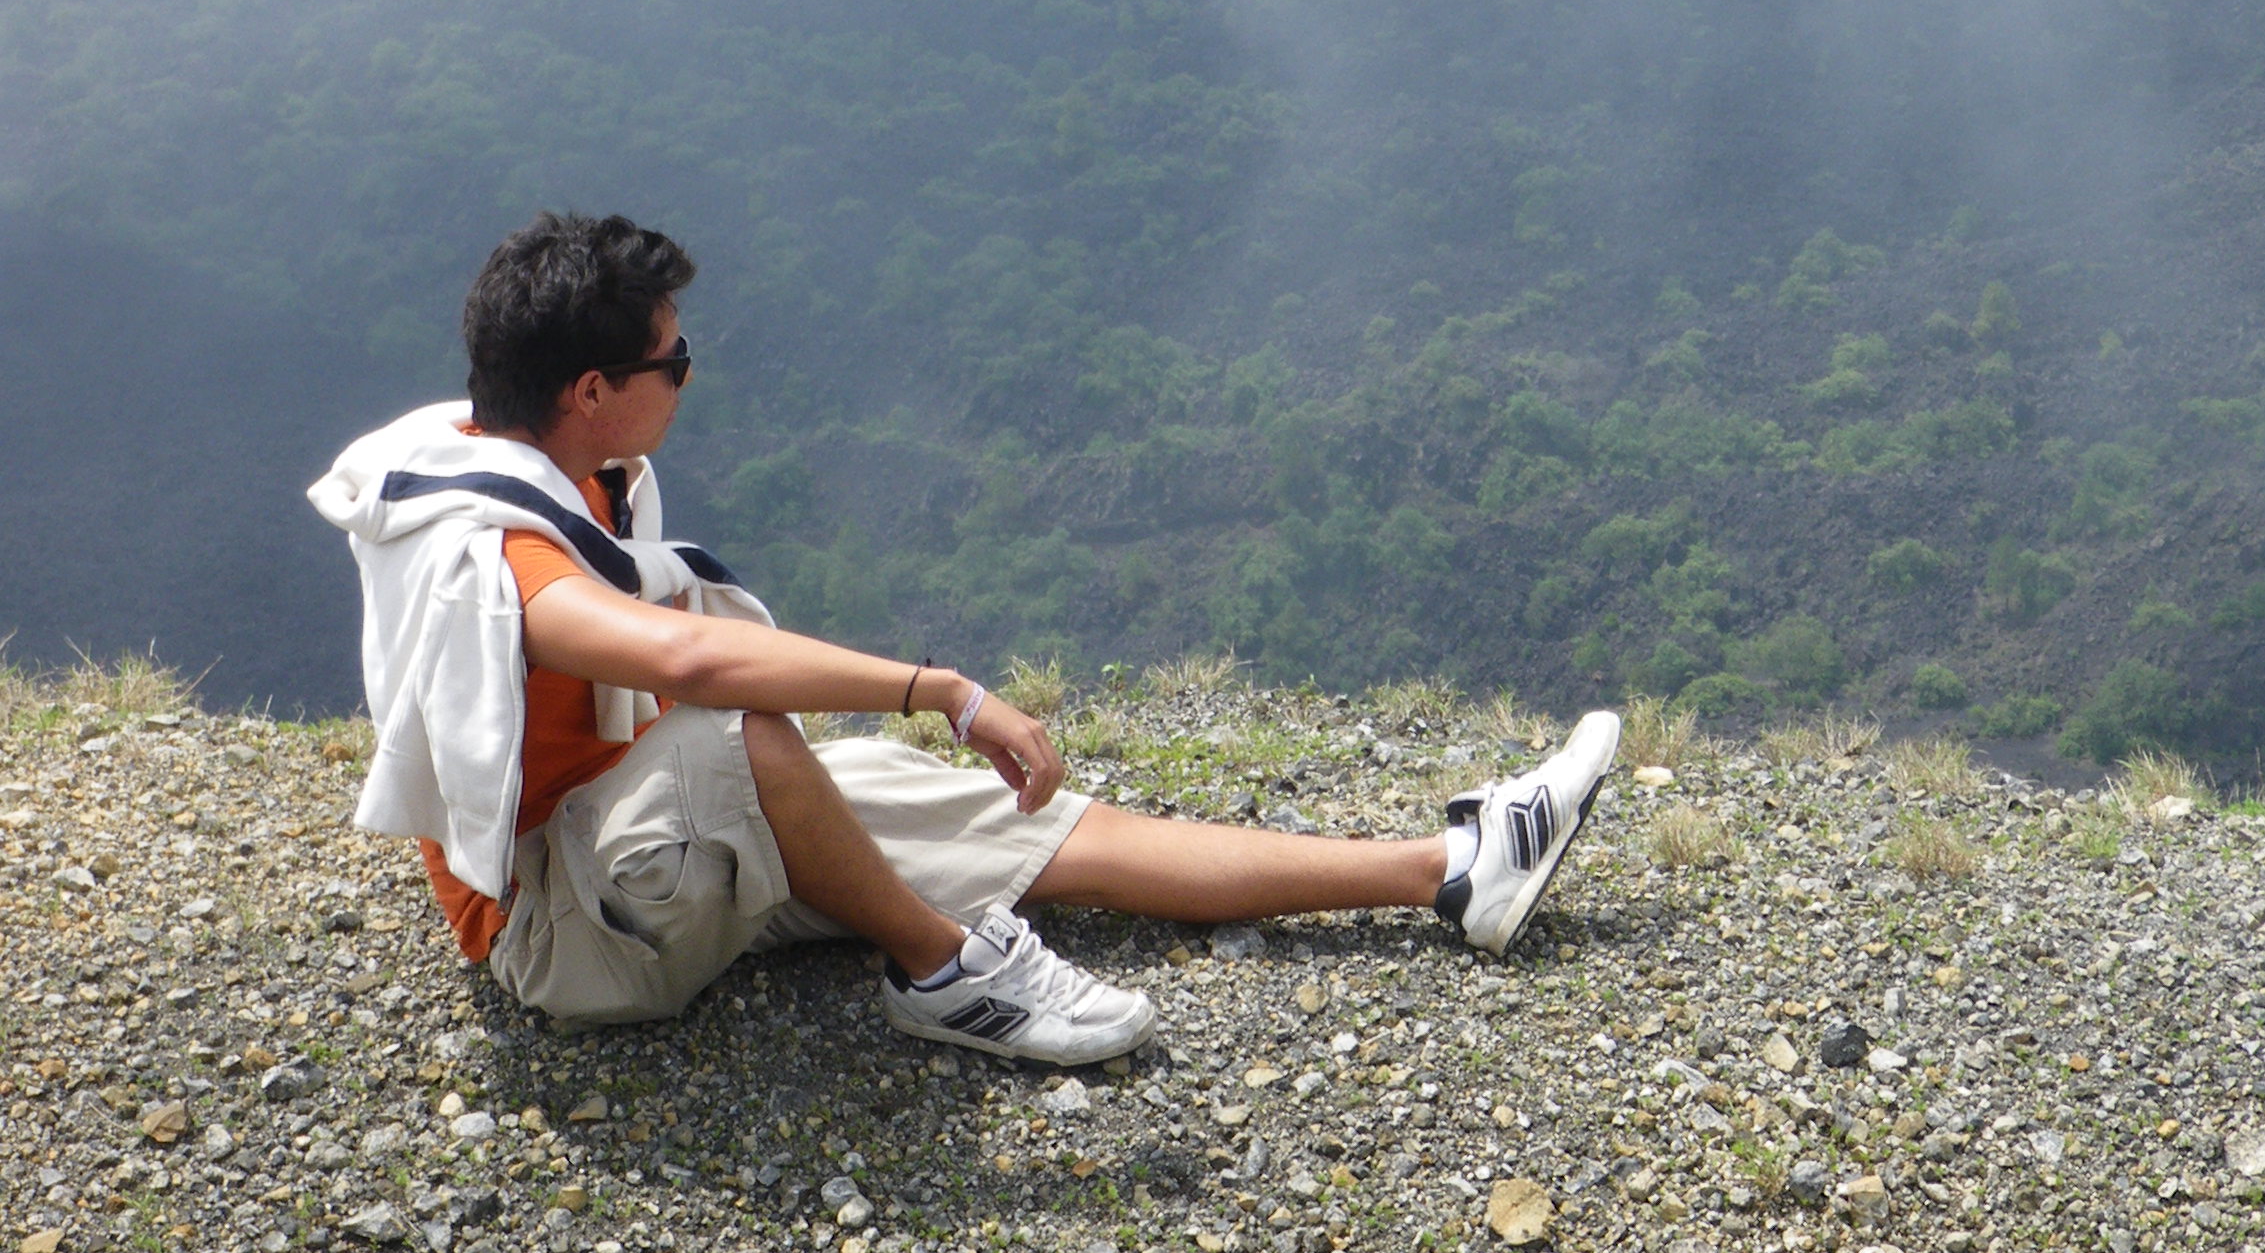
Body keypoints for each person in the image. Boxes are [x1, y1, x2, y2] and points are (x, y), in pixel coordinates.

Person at [312, 211, 1618, 1064]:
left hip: (650, 842)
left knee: (1049, 832)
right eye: (674, 361)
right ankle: (946, 977)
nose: (689, 376)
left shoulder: (544, 457)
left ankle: (1453, 869)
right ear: (591, 392)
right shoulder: (492, 546)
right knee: (741, 726)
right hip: (568, 930)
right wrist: (940, 689)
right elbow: (692, 666)